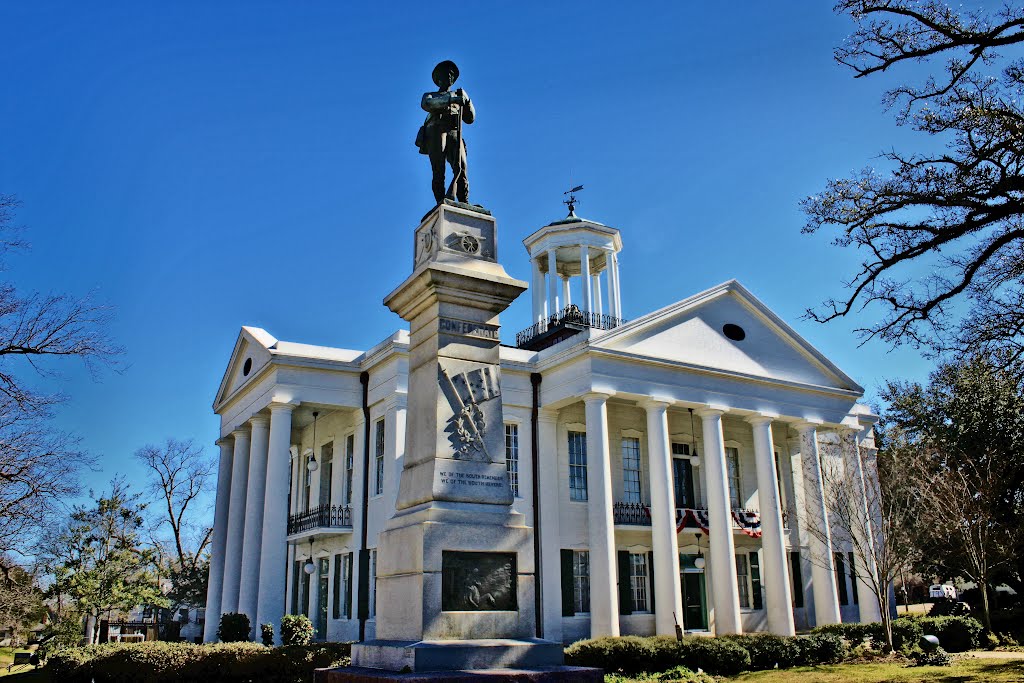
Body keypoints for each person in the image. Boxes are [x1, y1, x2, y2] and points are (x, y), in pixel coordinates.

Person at [416, 60, 475, 204]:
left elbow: (470, 118)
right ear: (439, 78)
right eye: (446, 74)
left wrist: (467, 101)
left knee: (461, 168)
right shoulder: (430, 95)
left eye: (452, 74)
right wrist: (452, 99)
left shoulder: (459, 96)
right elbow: (427, 104)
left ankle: (464, 202)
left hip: (454, 131)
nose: (450, 76)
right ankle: (440, 201)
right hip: (436, 130)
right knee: (438, 169)